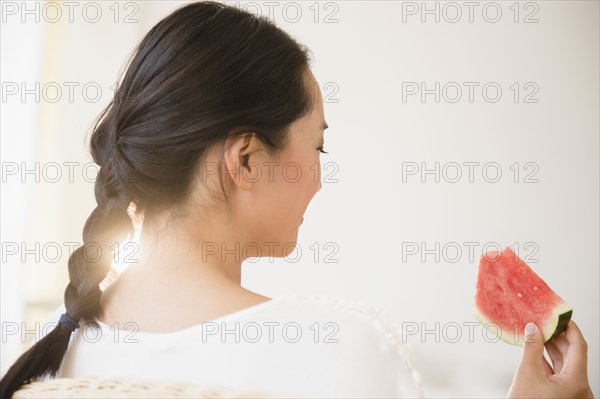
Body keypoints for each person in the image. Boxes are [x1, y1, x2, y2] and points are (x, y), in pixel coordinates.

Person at [0, 1, 595, 398]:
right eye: (318, 150)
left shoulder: (53, 361)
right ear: (246, 160)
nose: (317, 181)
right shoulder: (343, 351)